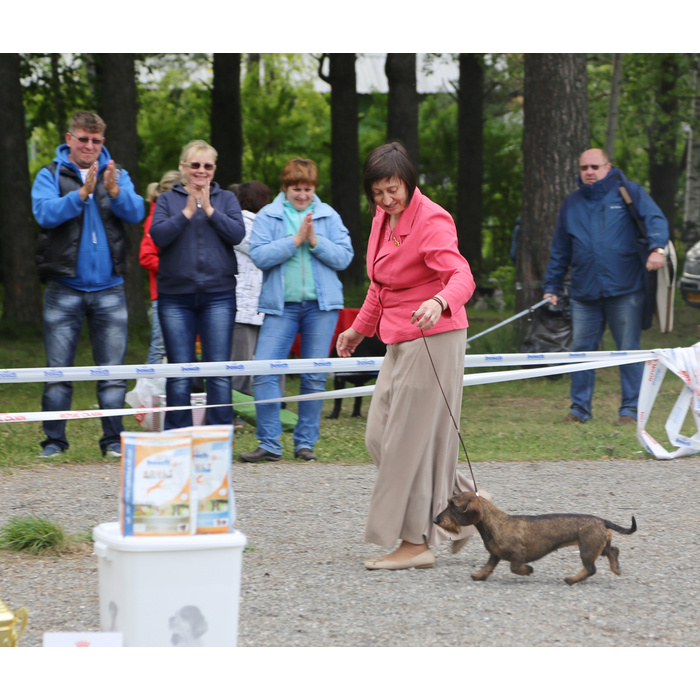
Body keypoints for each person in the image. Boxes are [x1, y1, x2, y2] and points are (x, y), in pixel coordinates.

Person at [336, 142, 481, 570]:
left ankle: (415, 543)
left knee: (405, 444)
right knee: (379, 436)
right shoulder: (384, 219)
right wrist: (357, 330)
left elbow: (461, 274)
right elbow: (381, 285)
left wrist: (439, 302)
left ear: (408, 182)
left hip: (434, 336)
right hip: (399, 337)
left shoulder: (432, 219)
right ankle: (468, 509)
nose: (385, 200)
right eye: (377, 192)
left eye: (392, 190)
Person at [32, 110, 145, 458]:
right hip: (64, 287)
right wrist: (82, 193)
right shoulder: (50, 173)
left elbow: (137, 213)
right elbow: (44, 213)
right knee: (58, 372)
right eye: (83, 139)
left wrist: (114, 191)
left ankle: (112, 441)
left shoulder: (117, 173)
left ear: (103, 142)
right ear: (69, 139)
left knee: (112, 373)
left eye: (96, 140)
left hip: (109, 287)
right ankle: (54, 442)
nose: (89, 146)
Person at [543, 148, 669, 425]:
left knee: (628, 349)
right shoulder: (571, 204)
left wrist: (657, 248)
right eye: (584, 167)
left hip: (626, 288)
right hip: (583, 292)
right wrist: (551, 285)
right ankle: (579, 410)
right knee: (581, 350)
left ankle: (630, 411)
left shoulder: (629, 193)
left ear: (608, 167)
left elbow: (656, 219)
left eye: (595, 166)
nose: (589, 171)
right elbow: (560, 249)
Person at [240, 158, 354, 463]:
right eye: (295, 188)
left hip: (322, 307)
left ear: (314, 188)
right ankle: (269, 444)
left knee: (314, 376)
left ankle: (305, 444)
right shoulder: (268, 215)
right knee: (264, 371)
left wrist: (315, 241)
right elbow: (260, 256)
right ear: (285, 188)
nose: (302, 194)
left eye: (307, 188)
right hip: (280, 307)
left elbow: (345, 257)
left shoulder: (328, 215)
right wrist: (295, 241)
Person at [150, 140, 244, 430]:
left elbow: (237, 234)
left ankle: (218, 436)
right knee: (179, 371)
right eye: (195, 165)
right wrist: (188, 212)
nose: (201, 171)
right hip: (175, 297)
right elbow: (158, 236)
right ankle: (176, 436)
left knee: (218, 371)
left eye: (208, 166)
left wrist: (210, 210)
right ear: (183, 168)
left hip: (218, 295)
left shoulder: (226, 198)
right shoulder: (167, 200)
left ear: (214, 169)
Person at [229, 181, 271, 396]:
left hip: (249, 305)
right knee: (244, 365)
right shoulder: (246, 224)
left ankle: (243, 410)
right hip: (248, 306)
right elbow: (263, 253)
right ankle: (240, 410)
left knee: (244, 363)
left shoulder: (239, 224)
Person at [139, 170, 182, 365]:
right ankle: (146, 391)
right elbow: (146, 257)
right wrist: (175, 269)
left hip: (183, 291)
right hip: (163, 294)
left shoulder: (180, 214)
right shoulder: (155, 217)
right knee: (160, 345)